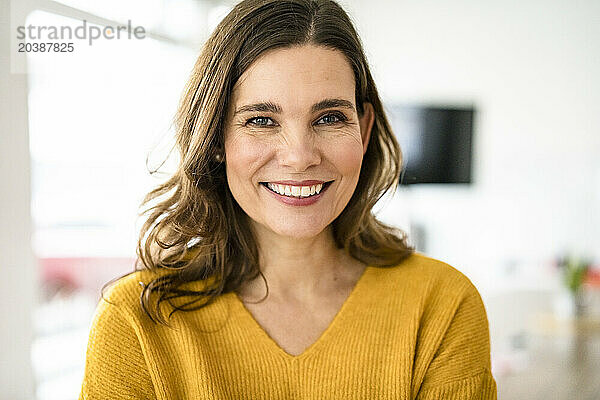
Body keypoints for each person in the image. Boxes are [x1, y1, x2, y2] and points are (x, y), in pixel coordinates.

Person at [79, 0, 497, 398]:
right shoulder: (136, 321)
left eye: (330, 118)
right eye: (261, 120)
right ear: (216, 137)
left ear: (364, 130)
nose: (299, 156)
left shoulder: (441, 304)